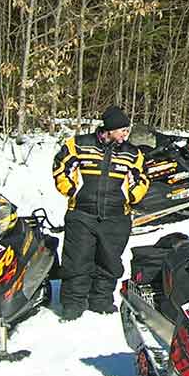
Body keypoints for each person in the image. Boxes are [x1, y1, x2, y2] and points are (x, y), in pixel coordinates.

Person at [51, 106, 148, 320]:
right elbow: (60, 167)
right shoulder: (78, 144)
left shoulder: (133, 153)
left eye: (127, 130)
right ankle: (73, 304)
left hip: (116, 217)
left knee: (110, 260)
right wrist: (72, 191)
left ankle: (101, 300)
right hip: (81, 214)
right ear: (110, 129)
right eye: (122, 129)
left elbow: (142, 179)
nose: (126, 134)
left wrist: (131, 196)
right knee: (77, 259)